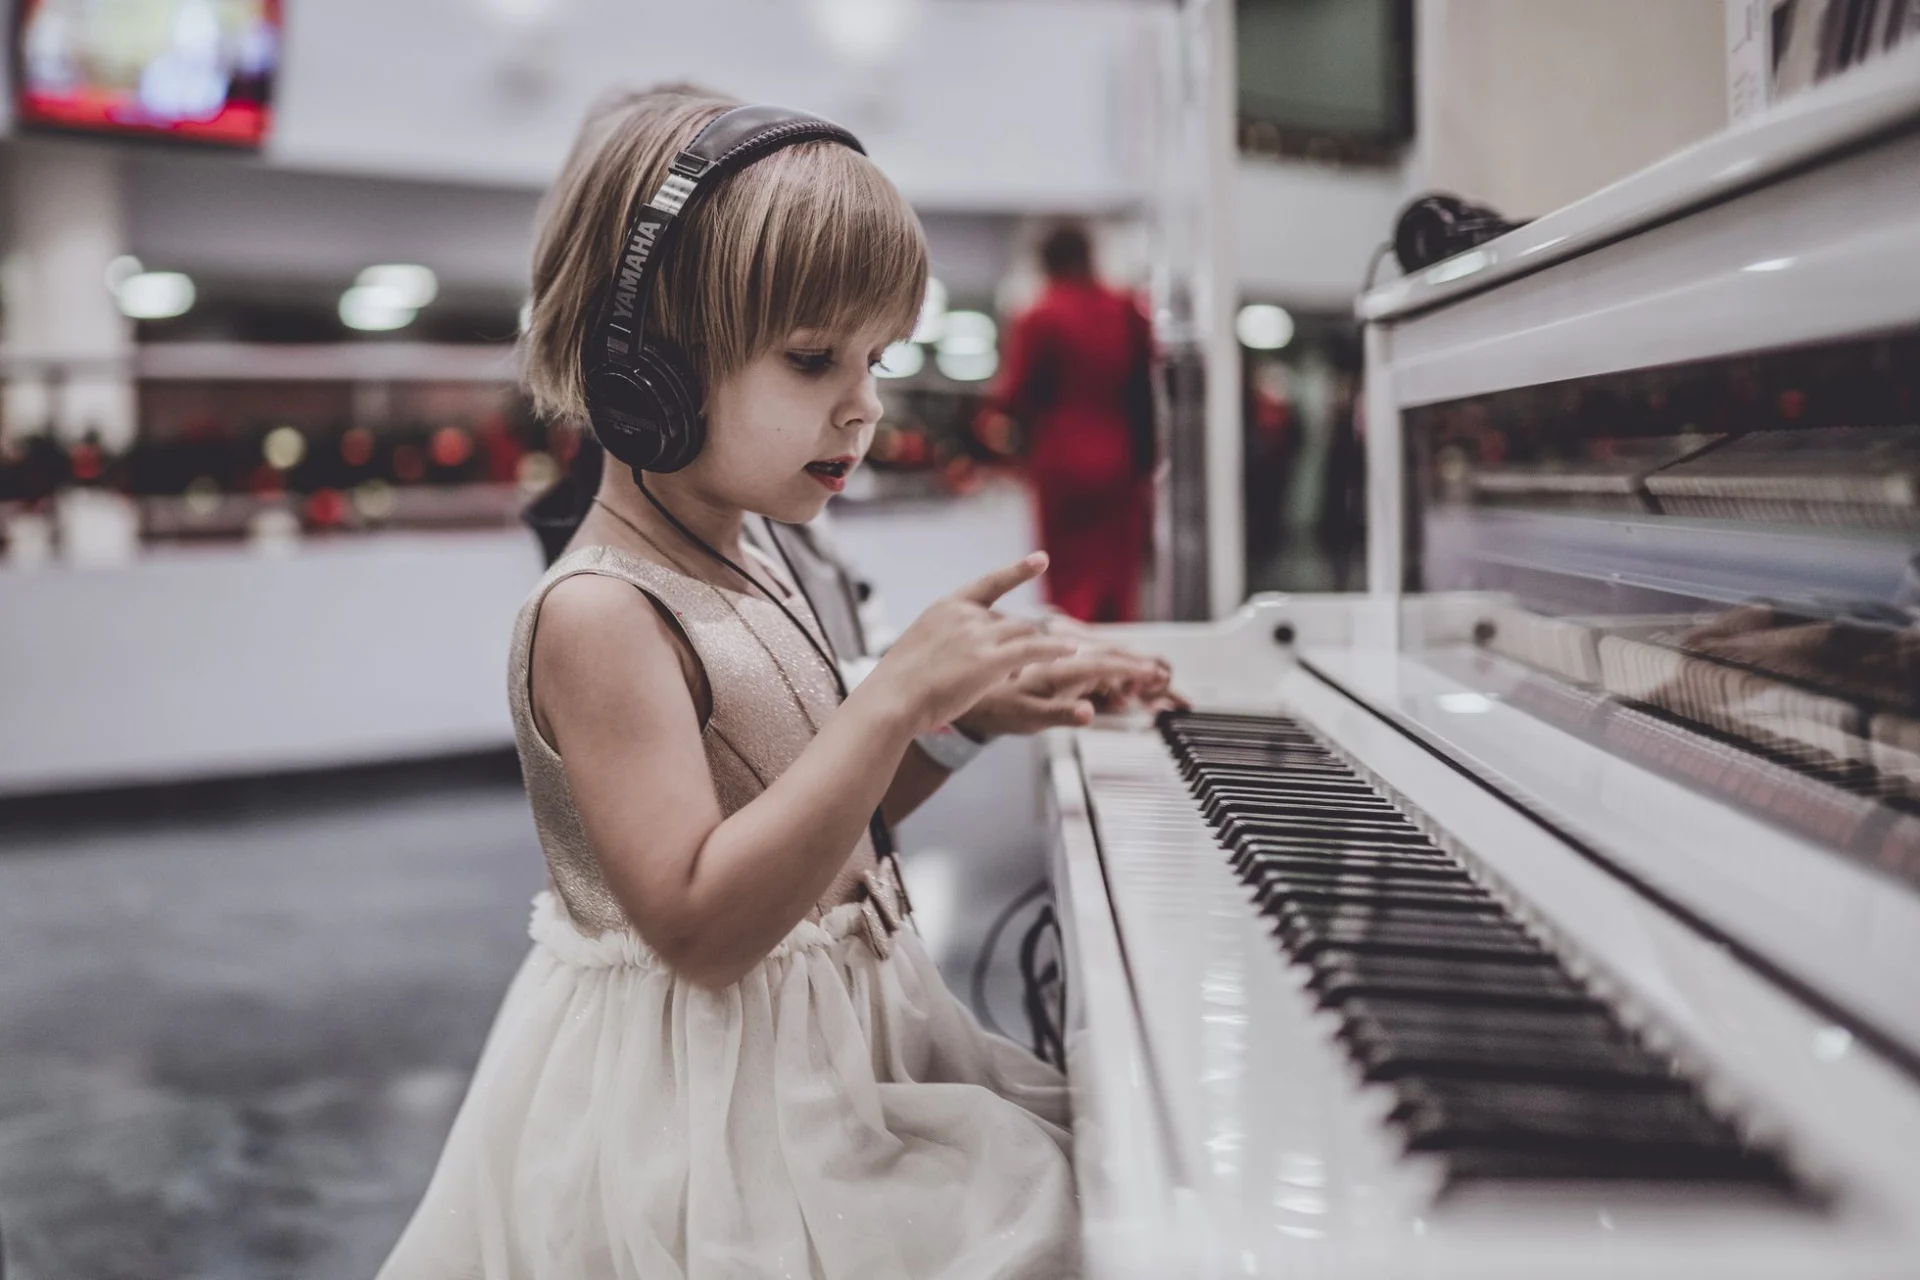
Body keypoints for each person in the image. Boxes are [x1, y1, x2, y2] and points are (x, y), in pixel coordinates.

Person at [380, 86, 1173, 1279]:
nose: (863, 404)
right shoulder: (600, 612)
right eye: (814, 359)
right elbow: (702, 921)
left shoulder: (757, 549)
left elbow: (809, 830)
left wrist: (960, 724)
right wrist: (891, 696)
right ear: (642, 365)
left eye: (877, 359)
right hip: (718, 1130)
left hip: (831, 1064)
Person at [981, 223, 1155, 623]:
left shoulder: (1041, 314)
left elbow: (1016, 393)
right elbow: (1145, 385)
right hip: (1120, 457)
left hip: (1061, 457)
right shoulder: (1126, 308)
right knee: (1117, 571)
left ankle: (1073, 659)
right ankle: (1117, 663)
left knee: (1066, 576)